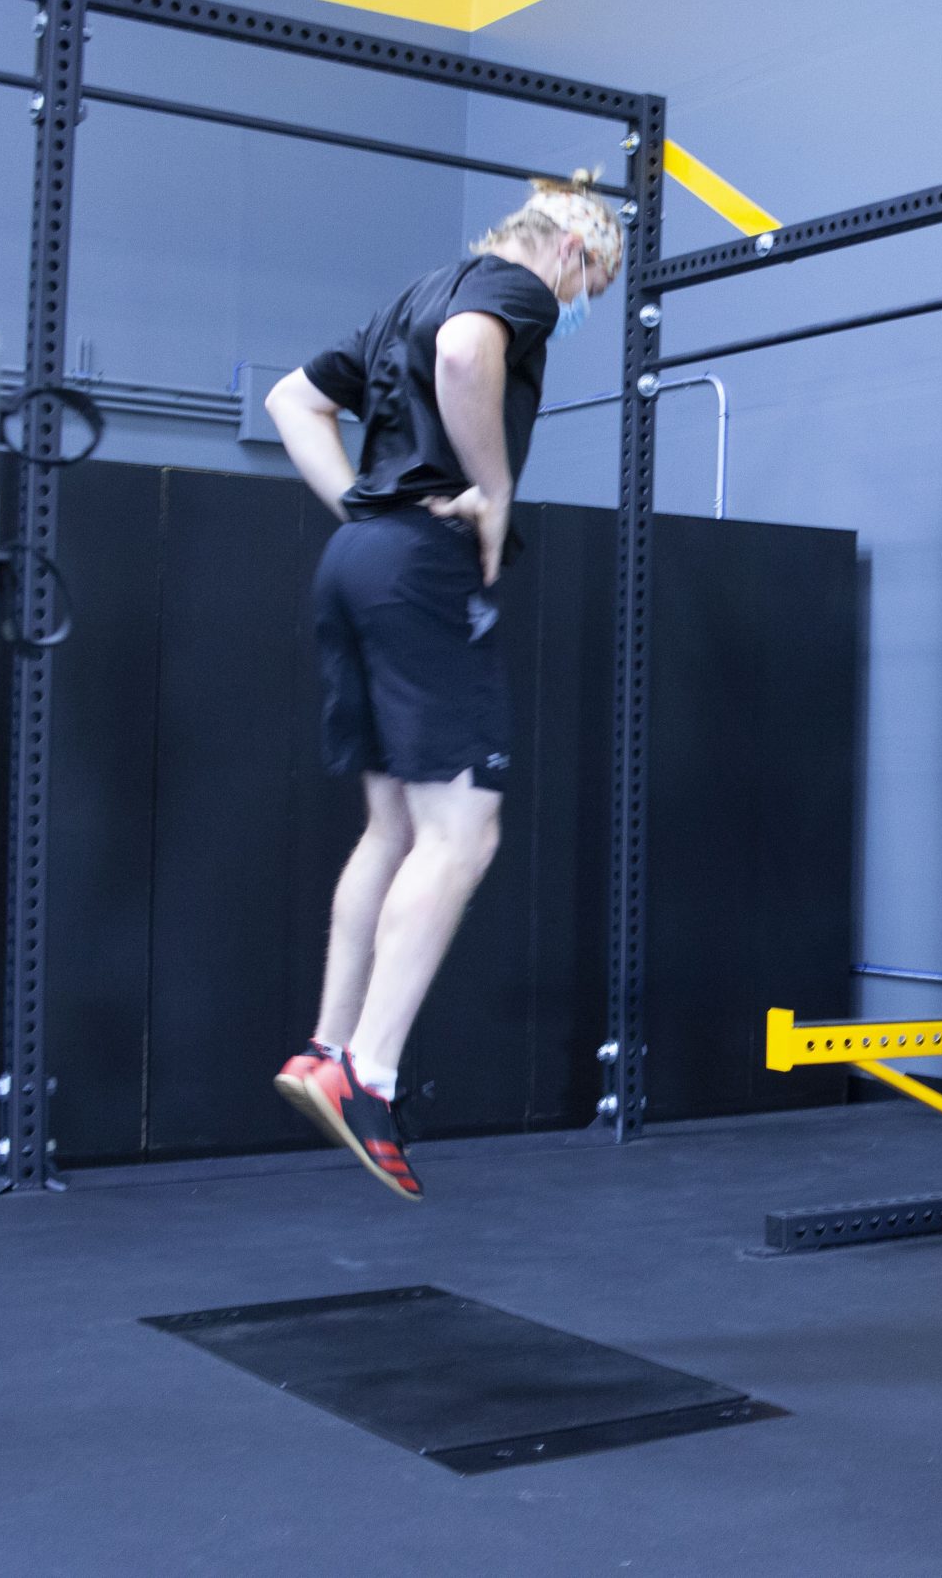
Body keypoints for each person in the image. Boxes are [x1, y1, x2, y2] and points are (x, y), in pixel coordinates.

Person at [260, 175, 622, 1199]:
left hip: (360, 561)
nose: (581, 297)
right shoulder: (520, 286)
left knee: (392, 829)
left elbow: (292, 398)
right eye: (592, 278)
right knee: (464, 833)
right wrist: (493, 493)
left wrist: (362, 509)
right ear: (570, 254)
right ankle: (368, 1074)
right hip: (423, 565)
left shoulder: (407, 297)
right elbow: (469, 354)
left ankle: (327, 1048)